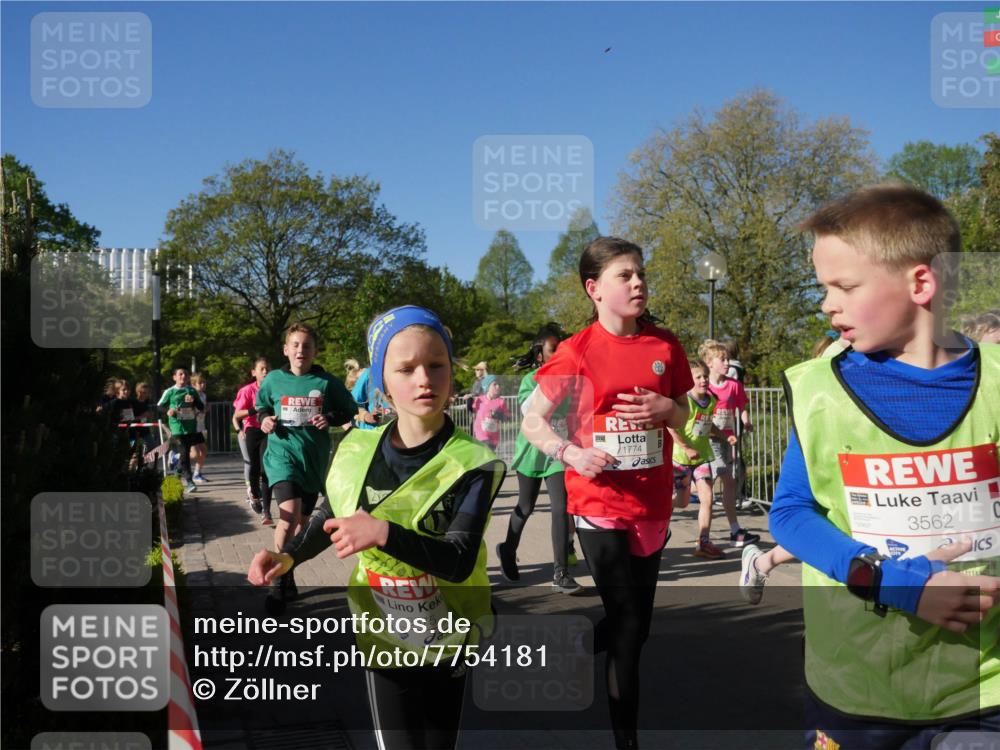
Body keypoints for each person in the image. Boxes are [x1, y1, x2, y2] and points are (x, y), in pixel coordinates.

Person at [768, 184, 999, 747]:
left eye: (844, 286)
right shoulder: (818, 389)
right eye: (823, 288)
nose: (827, 304)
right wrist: (897, 582)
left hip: (982, 688)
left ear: (921, 282)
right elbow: (792, 515)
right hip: (857, 685)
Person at [247, 306, 505, 750]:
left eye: (436, 365)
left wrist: (382, 532)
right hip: (382, 629)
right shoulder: (357, 446)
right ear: (383, 383)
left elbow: (460, 560)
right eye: (406, 368)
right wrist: (289, 557)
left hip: (450, 634)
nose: (424, 378)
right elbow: (331, 514)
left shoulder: (473, 462)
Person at [522, 236, 692, 750]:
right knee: (626, 627)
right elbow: (532, 420)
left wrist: (670, 413)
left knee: (637, 628)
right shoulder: (577, 351)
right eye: (626, 275)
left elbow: (687, 417)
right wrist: (571, 454)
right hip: (598, 505)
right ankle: (627, 742)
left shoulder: (665, 346)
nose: (638, 282)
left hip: (652, 503)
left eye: (640, 273)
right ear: (595, 289)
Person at [255, 323, 361, 599]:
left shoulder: (326, 382)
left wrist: (330, 418)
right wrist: (265, 419)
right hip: (281, 455)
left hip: (312, 460)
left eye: (307, 346)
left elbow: (349, 410)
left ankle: (287, 568)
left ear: (314, 351)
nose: (301, 350)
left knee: (302, 523)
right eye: (296, 345)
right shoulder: (273, 380)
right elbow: (262, 406)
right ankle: (277, 580)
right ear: (286, 350)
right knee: (288, 516)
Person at [497, 324, 581, 594]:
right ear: (539, 356)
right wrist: (548, 377)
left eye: (561, 349)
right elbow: (527, 409)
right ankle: (507, 550)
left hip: (558, 451)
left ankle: (561, 572)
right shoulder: (530, 380)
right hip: (532, 451)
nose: (559, 354)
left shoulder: (570, 380)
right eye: (552, 350)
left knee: (560, 506)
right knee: (526, 506)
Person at [668, 359, 738, 560]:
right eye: (698, 377)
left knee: (707, 497)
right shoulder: (684, 401)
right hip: (681, 460)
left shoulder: (711, 400)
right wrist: (686, 447)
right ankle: (663, 514)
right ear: (688, 381)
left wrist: (725, 435)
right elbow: (671, 427)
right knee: (681, 503)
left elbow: (708, 425)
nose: (703, 380)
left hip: (702, 458)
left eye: (705, 376)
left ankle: (703, 541)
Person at [698, 339, 760, 548]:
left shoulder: (733, 385)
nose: (727, 363)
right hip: (708, 441)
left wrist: (746, 421)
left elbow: (741, 405)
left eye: (728, 359)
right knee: (721, 482)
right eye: (722, 359)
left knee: (722, 485)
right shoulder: (703, 387)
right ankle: (723, 533)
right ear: (709, 363)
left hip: (728, 439)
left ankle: (731, 531)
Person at [233, 357, 273, 525]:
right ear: (254, 372)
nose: (265, 372)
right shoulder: (247, 390)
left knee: (266, 469)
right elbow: (237, 415)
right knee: (254, 466)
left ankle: (267, 512)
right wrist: (254, 409)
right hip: (252, 430)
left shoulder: (274, 389)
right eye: (262, 369)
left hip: (268, 429)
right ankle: (254, 494)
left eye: (268, 369)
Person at [157, 367, 205, 493]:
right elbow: (159, 406)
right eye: (180, 374)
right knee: (185, 453)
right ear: (174, 377)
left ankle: (177, 470)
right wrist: (168, 411)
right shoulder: (170, 391)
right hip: (176, 427)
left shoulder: (191, 391)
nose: (183, 376)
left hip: (190, 426)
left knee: (185, 453)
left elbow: (201, 406)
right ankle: (189, 481)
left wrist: (194, 401)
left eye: (185, 374)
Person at [471, 375, 509, 451]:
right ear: (487, 387)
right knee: (485, 451)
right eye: (494, 384)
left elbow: (507, 418)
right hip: (480, 435)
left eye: (499, 384)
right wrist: (469, 401)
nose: (498, 386)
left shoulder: (501, 402)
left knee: (488, 457)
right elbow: (471, 409)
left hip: (494, 436)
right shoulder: (479, 400)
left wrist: (499, 415)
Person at [189, 373, 210, 483]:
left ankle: (197, 473)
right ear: (193, 385)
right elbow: (190, 410)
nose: (203, 385)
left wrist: (206, 408)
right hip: (192, 427)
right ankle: (176, 456)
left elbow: (203, 408)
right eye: (200, 383)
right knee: (195, 454)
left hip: (200, 427)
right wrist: (200, 411)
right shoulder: (191, 395)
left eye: (204, 382)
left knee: (204, 451)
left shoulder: (203, 395)